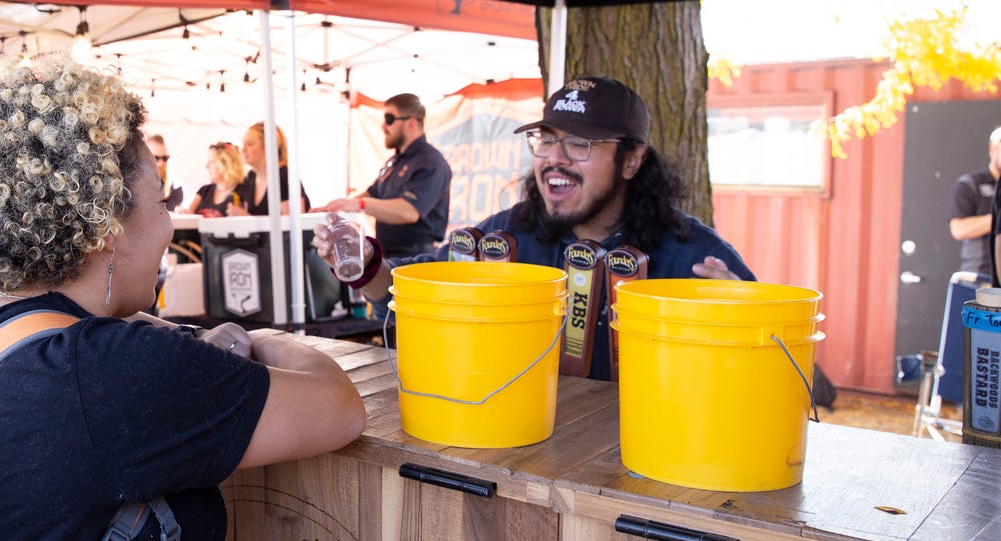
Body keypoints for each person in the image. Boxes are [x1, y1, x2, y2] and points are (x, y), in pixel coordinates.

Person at [0, 54, 364, 541]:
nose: (169, 226)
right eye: (165, 201)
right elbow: (340, 406)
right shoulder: (119, 371)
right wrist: (254, 339)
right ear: (107, 230)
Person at [313, 76, 754, 382]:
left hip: (645, 473)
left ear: (632, 160)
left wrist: (746, 329)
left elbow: (770, 377)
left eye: (579, 143)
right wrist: (364, 264)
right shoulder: (504, 235)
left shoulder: (693, 257)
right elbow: (406, 296)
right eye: (546, 139)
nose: (554, 158)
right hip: (518, 459)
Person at [318, 93, 451, 256]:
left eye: (389, 119)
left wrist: (360, 204)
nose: (383, 126)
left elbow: (409, 211)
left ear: (411, 123)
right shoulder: (395, 161)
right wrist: (336, 207)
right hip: (388, 252)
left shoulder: (430, 161)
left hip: (416, 256)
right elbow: (373, 193)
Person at [948, 126, 1001, 277]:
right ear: (992, 150)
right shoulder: (969, 184)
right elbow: (959, 229)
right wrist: (996, 219)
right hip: (979, 276)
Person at [231, 122, 309, 216]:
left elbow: (293, 226)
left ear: (268, 146)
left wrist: (247, 218)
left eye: (250, 144)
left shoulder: (285, 176)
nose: (243, 149)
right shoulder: (250, 177)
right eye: (243, 144)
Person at [183, 141, 245, 217]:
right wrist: (182, 211)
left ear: (225, 164)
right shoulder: (204, 190)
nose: (206, 166)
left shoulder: (243, 191)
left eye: (211, 162)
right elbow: (188, 214)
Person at [147, 133, 184, 211]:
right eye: (155, 158)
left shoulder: (176, 189)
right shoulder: (134, 187)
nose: (160, 163)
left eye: (165, 158)